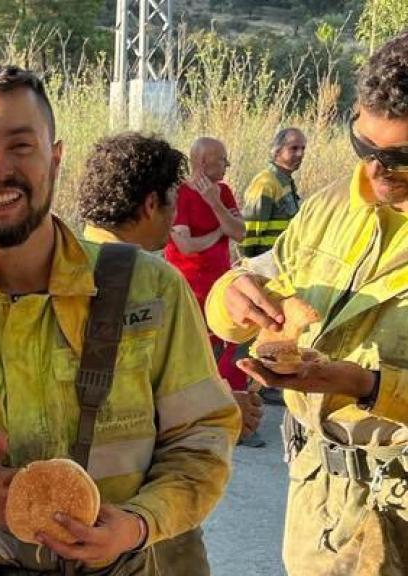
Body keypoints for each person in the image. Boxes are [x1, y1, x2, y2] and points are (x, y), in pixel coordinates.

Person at [0, 65, 240, 576]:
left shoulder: (149, 289)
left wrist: (135, 524)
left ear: (55, 158)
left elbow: (203, 437)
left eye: (21, 146)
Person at [206, 30, 408, 575]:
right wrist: (231, 296)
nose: (375, 172)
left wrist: (364, 385)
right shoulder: (328, 207)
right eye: (364, 148)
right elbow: (256, 279)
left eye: (400, 159)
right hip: (317, 508)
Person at [78, 131, 264, 451]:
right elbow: (144, 396)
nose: (174, 215)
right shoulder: (158, 284)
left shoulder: (54, 264)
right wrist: (222, 407)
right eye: (172, 203)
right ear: (152, 204)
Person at [165, 138, 260, 446]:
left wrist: (216, 204)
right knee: (192, 353)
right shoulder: (179, 194)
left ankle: (235, 418)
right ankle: (192, 421)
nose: (227, 165)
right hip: (188, 289)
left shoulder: (223, 191)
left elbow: (240, 232)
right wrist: (219, 230)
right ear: (204, 162)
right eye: (222, 160)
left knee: (231, 346)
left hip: (220, 289)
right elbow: (186, 245)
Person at [239, 127, 307, 258]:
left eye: (303, 148)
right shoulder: (265, 183)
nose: (300, 154)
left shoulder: (285, 181)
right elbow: (249, 232)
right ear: (277, 152)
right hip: (266, 262)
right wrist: (249, 264)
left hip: (283, 260)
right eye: (293, 148)